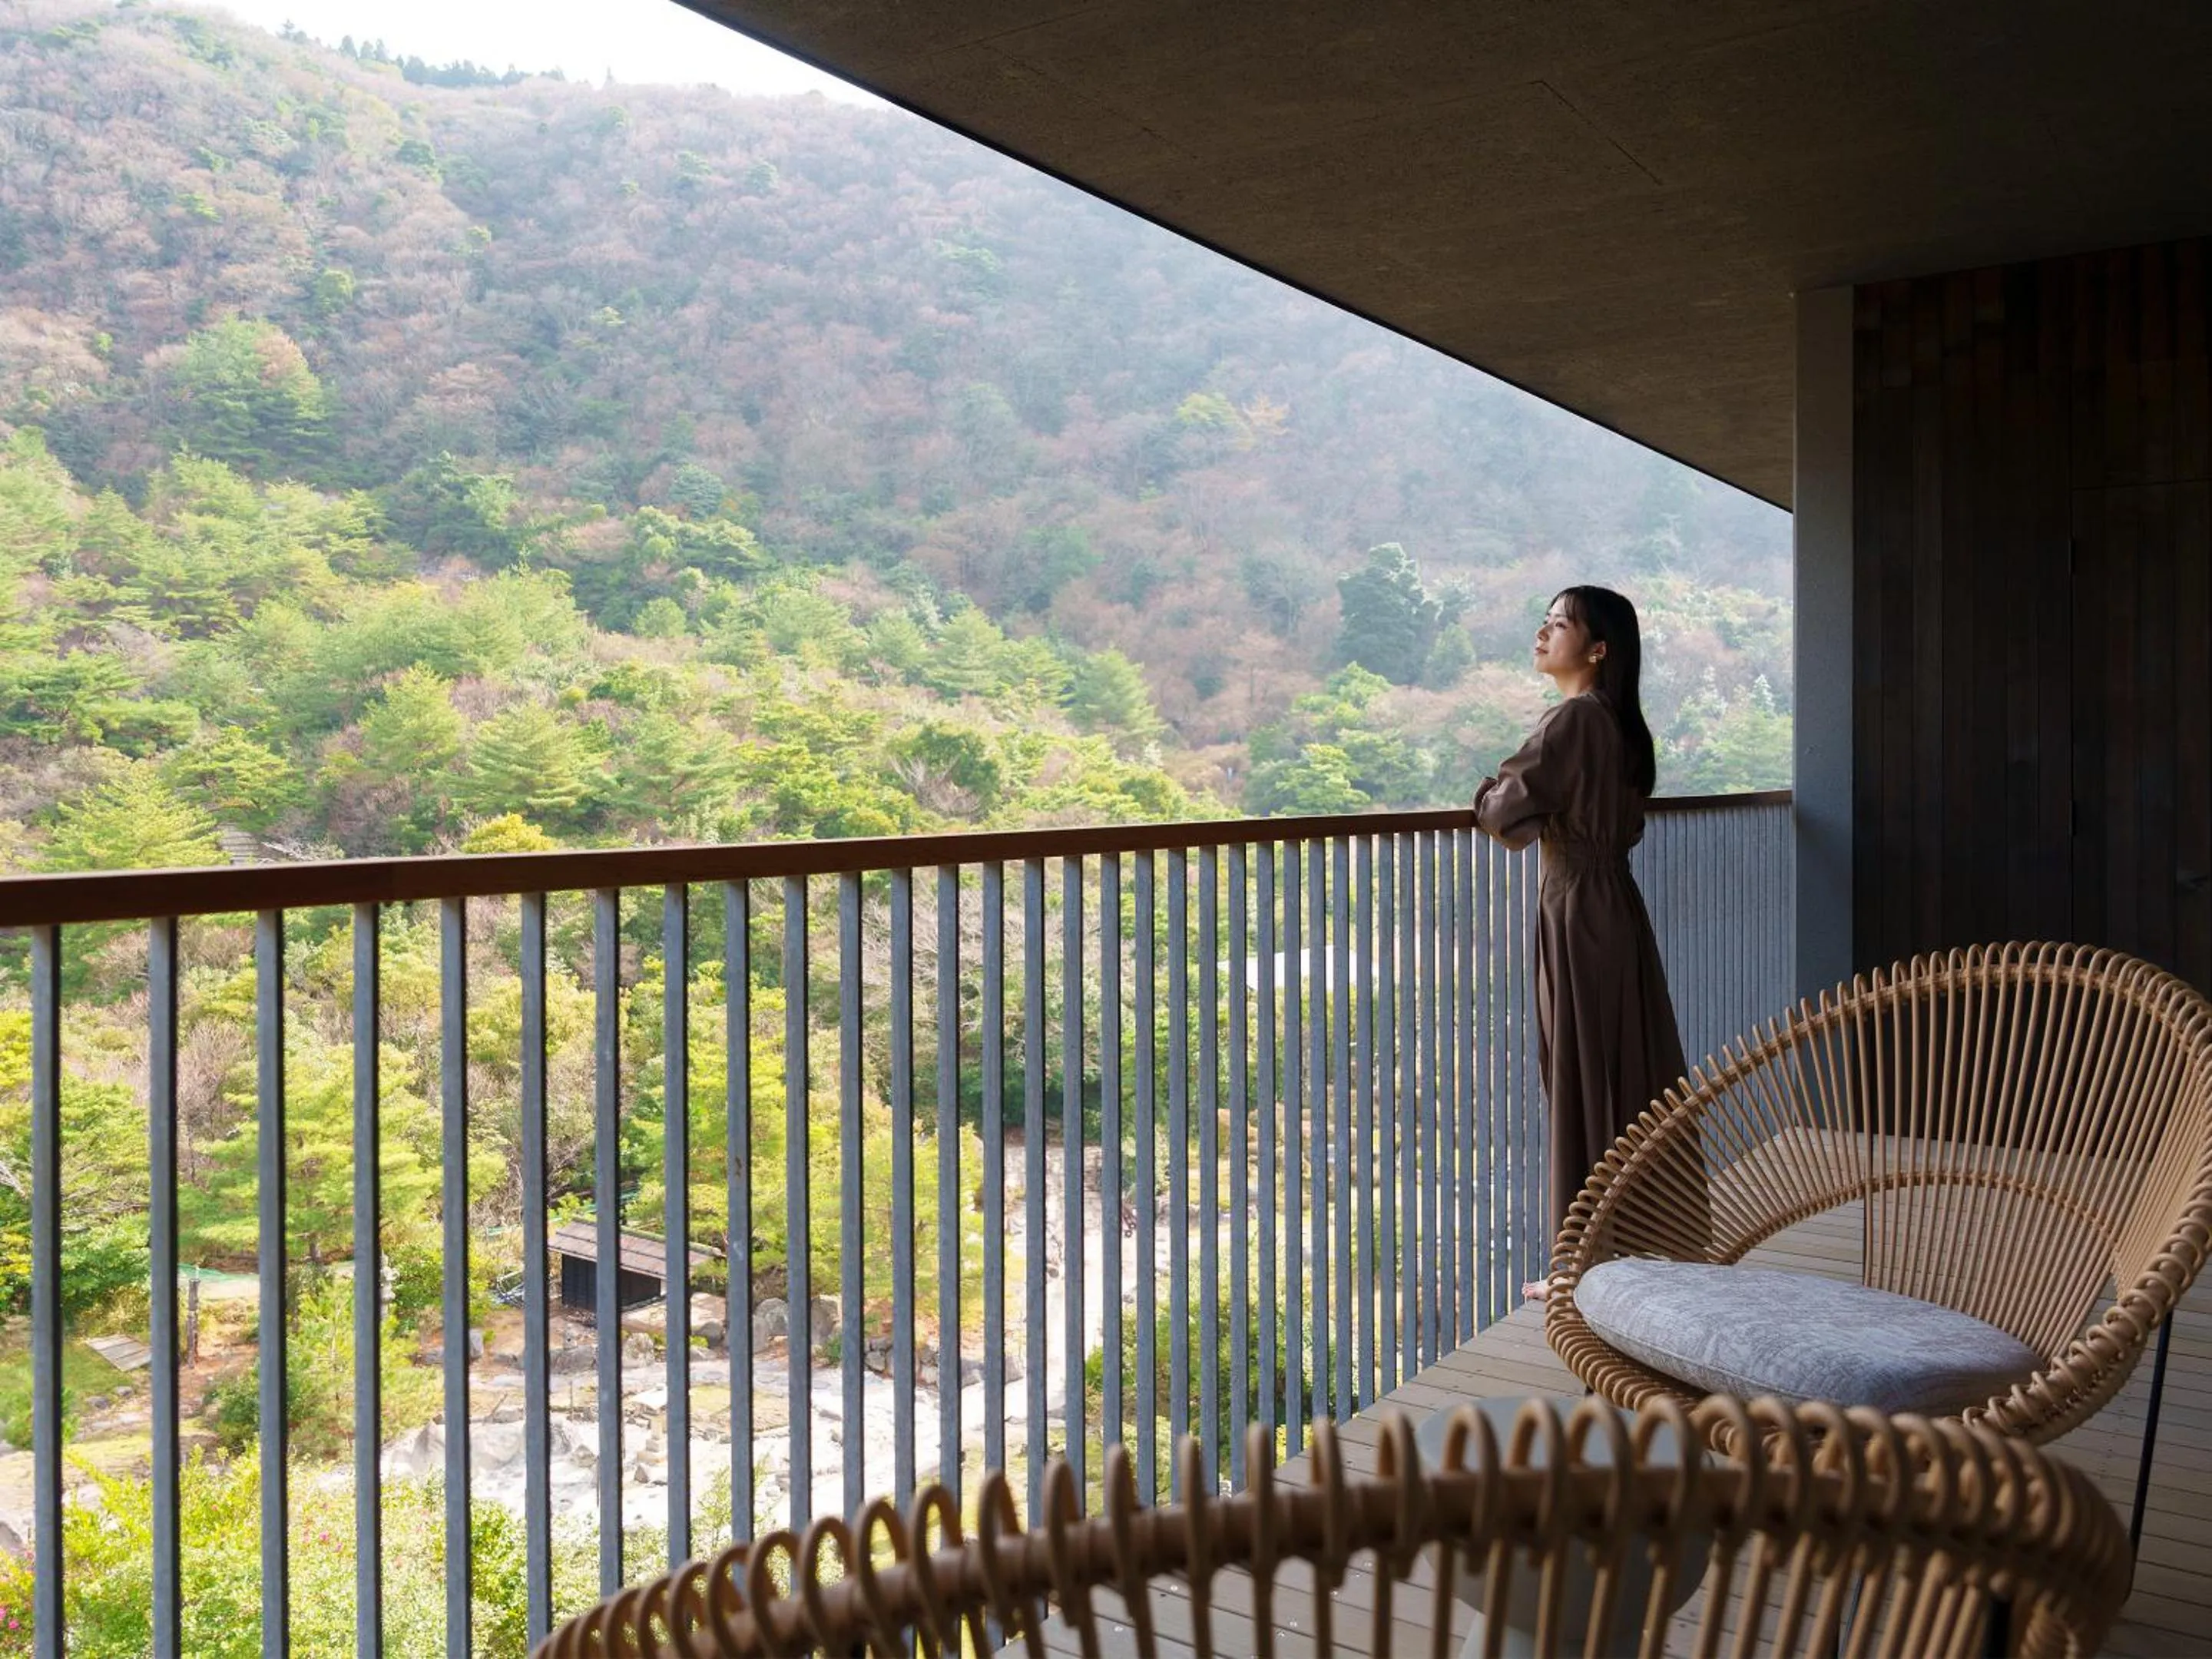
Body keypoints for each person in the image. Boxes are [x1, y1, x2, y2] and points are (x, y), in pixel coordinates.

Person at [1473, 587, 1690, 1302]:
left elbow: (1506, 811)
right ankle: (1635, 1245)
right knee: (1626, 1069)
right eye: (1545, 621)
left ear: (1598, 649)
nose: (1543, 633)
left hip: (1575, 908)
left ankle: (1579, 1265)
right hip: (1615, 904)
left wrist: (1485, 792)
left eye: (1559, 624)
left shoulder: (1572, 720)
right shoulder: (1619, 724)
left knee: (1579, 1074)